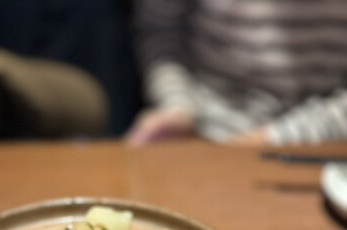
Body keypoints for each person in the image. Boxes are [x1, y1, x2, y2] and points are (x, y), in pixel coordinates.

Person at [127, 0, 347, 145]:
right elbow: (161, 33)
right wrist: (176, 106)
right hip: (199, 128)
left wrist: (278, 137)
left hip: (315, 143)